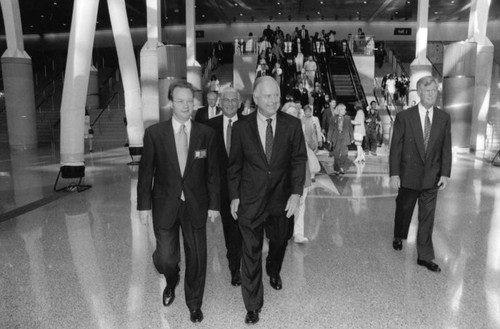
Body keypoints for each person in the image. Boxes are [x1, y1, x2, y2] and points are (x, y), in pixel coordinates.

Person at [137, 80, 220, 323]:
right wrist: (143, 206)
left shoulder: (206, 134)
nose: (186, 105)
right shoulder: (155, 133)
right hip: (165, 203)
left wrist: (214, 204)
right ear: (170, 102)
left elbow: (213, 173)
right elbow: (146, 173)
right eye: (180, 100)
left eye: (189, 100)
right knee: (166, 259)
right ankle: (172, 279)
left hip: (196, 203)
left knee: (198, 257)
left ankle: (194, 303)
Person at [227, 76, 307, 324]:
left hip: (282, 199)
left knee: (280, 240)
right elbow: (235, 166)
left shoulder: (292, 125)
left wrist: (296, 193)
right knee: (250, 252)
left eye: (276, 95)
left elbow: (298, 159)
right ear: (256, 99)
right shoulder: (242, 127)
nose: (274, 100)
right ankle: (253, 305)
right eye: (268, 96)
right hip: (251, 199)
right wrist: (234, 196)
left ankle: (273, 269)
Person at [390, 75, 452, 273]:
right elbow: (396, 148)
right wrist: (394, 174)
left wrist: (445, 173)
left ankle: (424, 256)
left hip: (431, 177)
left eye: (434, 90)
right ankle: (399, 235)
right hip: (408, 175)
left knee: (427, 217)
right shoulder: (404, 117)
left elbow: (446, 148)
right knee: (404, 209)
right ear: (419, 93)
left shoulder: (443, 118)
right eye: (427, 91)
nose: (432, 94)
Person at [206, 87, 243, 287]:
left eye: (233, 100)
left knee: (242, 229)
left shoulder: (248, 125)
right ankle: (234, 268)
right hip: (220, 190)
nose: (229, 103)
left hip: (244, 190)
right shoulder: (209, 126)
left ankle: (242, 262)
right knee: (230, 230)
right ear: (220, 102)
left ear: (239, 102)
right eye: (226, 100)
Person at [327, 103, 353, 175]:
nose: (345, 111)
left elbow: (350, 128)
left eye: (345, 109)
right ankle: (337, 169)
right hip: (336, 137)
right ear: (339, 110)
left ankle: (341, 166)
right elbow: (330, 129)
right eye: (343, 109)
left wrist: (352, 138)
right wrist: (328, 139)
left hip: (345, 137)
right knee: (336, 154)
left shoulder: (348, 118)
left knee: (345, 154)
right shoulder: (333, 118)